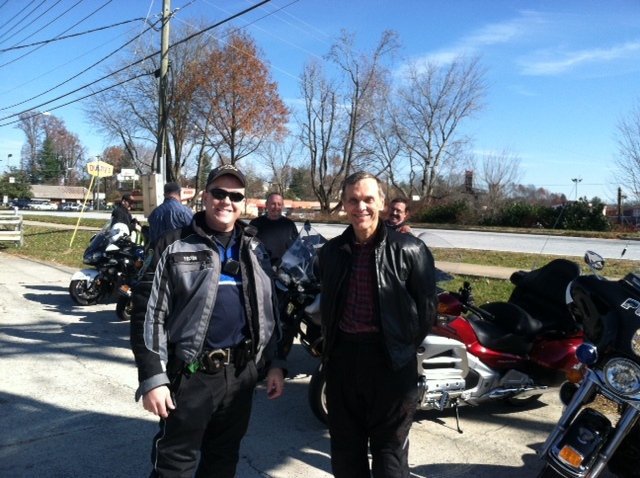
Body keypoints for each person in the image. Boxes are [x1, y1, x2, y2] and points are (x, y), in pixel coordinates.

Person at [130, 164, 286, 478]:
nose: (226, 201)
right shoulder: (172, 245)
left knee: (223, 462)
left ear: (243, 203)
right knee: (174, 466)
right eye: (219, 193)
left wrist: (275, 363)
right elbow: (147, 314)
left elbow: (272, 308)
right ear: (204, 197)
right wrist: (153, 377)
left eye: (235, 196)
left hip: (241, 375)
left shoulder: (256, 249)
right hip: (191, 375)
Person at [317, 171, 438, 478]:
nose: (361, 207)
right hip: (344, 361)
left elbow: (426, 311)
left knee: (389, 456)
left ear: (382, 203)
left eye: (368, 199)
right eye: (353, 200)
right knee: (346, 453)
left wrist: (401, 348)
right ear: (344, 204)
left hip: (391, 364)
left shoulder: (410, 250)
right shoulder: (331, 252)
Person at [249, 192, 298, 269]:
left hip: (284, 269)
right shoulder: (255, 223)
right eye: (273, 204)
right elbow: (247, 244)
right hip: (261, 268)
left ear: (283, 206)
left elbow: (296, 245)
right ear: (266, 205)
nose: (276, 207)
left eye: (279, 204)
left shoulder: (289, 224)